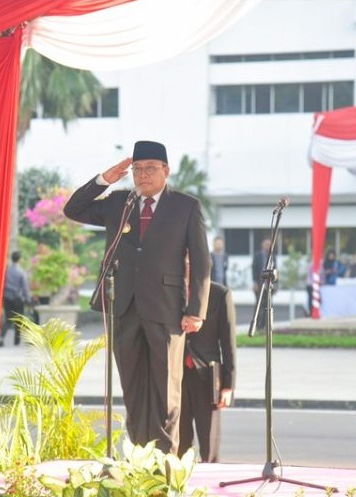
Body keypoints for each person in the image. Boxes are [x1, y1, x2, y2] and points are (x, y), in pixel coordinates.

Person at [64, 140, 211, 454]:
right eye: (137, 169)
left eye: (150, 169)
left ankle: (166, 460)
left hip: (167, 310)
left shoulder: (186, 206)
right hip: (124, 306)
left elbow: (201, 261)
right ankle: (139, 457)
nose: (142, 175)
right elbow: (72, 209)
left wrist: (196, 309)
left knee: (166, 389)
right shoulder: (120, 202)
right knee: (132, 388)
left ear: (166, 171)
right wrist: (105, 179)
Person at [179, 279, 236, 462]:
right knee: (178, 442)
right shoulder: (171, 290)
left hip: (208, 376)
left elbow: (228, 343)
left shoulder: (220, 294)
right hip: (175, 375)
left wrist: (228, 385)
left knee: (209, 443)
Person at [0, 251, 31, 347]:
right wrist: (28, 299)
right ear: (19, 259)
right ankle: (16, 341)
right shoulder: (21, 272)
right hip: (17, 298)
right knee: (19, 319)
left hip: (7, 297)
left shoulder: (6, 270)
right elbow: (25, 288)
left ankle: (1, 338)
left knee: (8, 318)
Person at [252, 238, 275, 330]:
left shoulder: (273, 256)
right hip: (260, 284)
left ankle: (266, 325)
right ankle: (257, 325)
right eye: (266, 244)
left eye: (269, 244)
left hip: (269, 285)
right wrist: (254, 282)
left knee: (268, 305)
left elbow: (275, 270)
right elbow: (254, 269)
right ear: (262, 245)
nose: (268, 246)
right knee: (259, 305)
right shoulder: (257, 256)